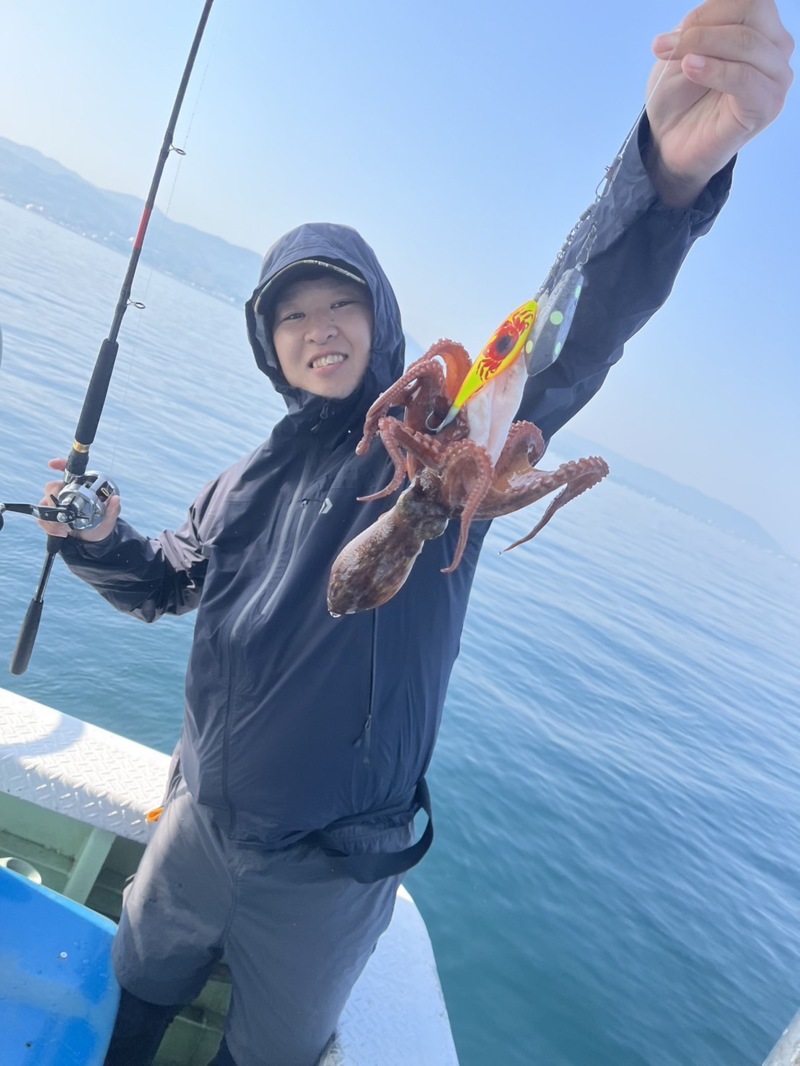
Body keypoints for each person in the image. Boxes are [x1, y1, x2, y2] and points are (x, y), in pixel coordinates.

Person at [38, 3, 794, 1064]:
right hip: (198, 824)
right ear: (268, 344)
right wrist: (95, 539)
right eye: (290, 315)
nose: (317, 328)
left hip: (325, 872)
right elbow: (168, 580)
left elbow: (555, 337)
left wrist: (661, 182)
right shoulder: (241, 481)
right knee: (139, 984)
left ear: (380, 319)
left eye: (339, 305)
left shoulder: (438, 442)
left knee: (269, 1052)